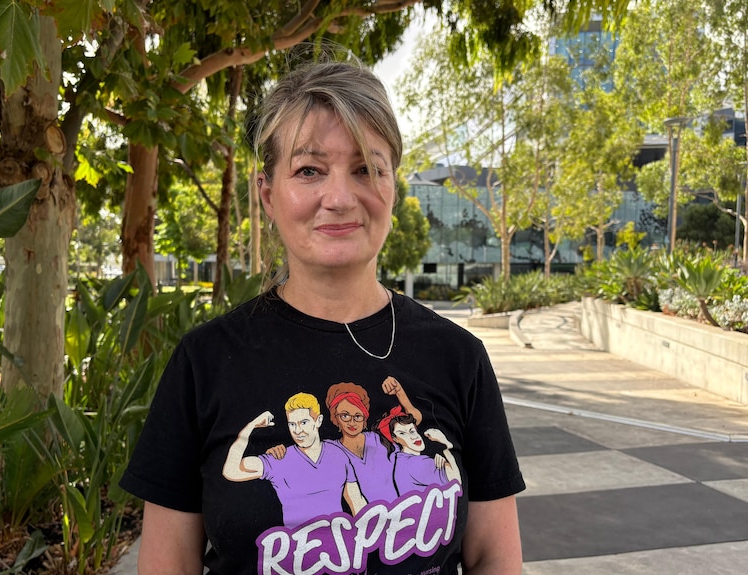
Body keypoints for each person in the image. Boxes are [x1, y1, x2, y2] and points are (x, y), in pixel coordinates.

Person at [119, 56, 525, 575]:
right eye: (309, 170)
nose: (338, 197)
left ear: (392, 188)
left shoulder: (458, 357)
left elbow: (496, 559)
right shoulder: (205, 363)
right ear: (267, 193)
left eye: (366, 169)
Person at [222, 392, 366, 527]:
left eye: (303, 423)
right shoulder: (279, 459)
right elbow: (231, 471)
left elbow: (357, 503)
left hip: (339, 546)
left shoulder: (339, 454)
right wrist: (251, 426)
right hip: (297, 546)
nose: (297, 431)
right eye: (292, 424)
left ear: (318, 421)